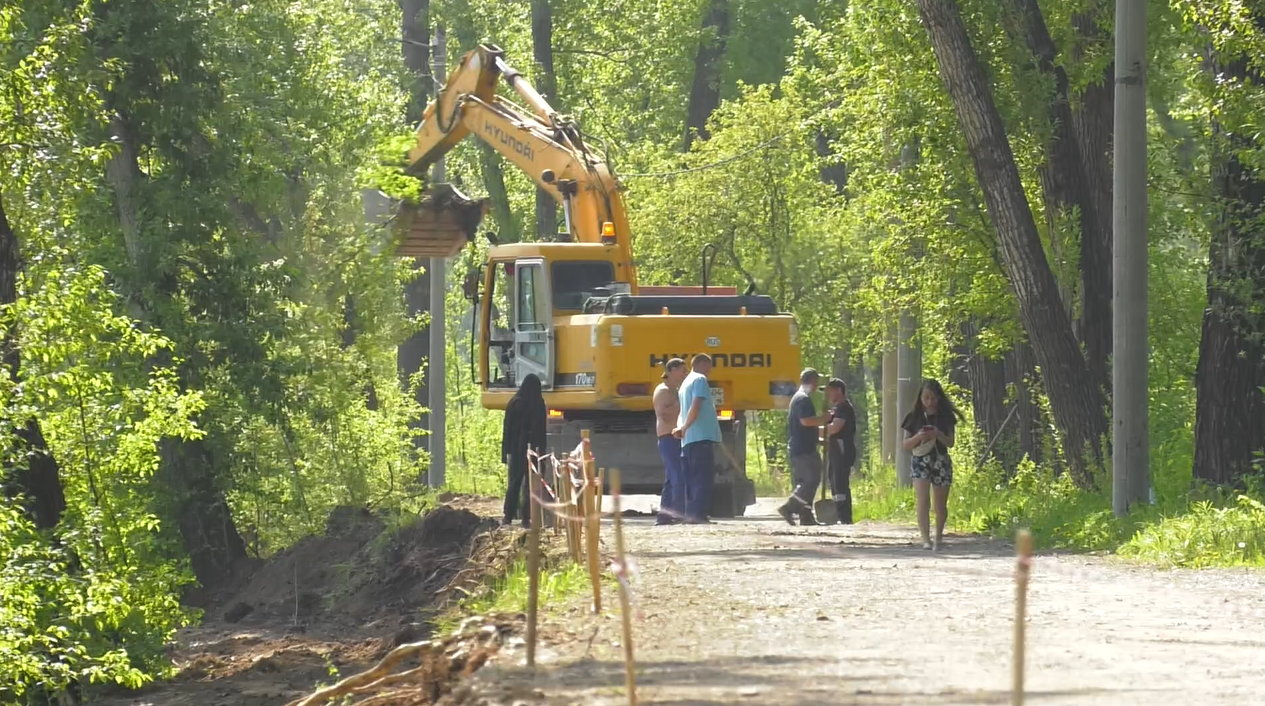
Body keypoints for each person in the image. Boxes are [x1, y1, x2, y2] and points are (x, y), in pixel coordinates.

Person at [900, 378, 963, 550]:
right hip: (920, 461)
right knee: (923, 500)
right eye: (926, 398)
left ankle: (939, 536)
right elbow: (905, 444)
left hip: (941, 460)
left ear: (939, 398)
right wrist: (918, 437)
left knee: (940, 504)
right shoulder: (913, 417)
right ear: (920, 398)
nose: (929, 402)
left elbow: (950, 442)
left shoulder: (946, 417)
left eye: (933, 398)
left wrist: (938, 433)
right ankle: (926, 539)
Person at [777, 368, 835, 526]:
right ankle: (789, 507)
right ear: (813, 381)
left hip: (804, 446)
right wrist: (824, 418)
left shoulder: (800, 397)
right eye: (816, 383)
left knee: (806, 480)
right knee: (810, 480)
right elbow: (806, 421)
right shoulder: (802, 399)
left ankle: (806, 515)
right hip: (803, 449)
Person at [672, 354, 721, 524]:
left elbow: (682, 411)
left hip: (688, 439)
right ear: (701, 364)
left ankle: (691, 513)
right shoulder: (699, 379)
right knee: (703, 477)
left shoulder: (684, 384)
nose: (710, 370)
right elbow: (696, 405)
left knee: (691, 478)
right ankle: (698, 514)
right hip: (700, 436)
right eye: (709, 365)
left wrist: (680, 428)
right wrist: (684, 427)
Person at [501, 374, 547, 528]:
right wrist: (542, 452)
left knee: (515, 482)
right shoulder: (538, 404)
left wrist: (505, 452)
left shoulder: (515, 402)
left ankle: (509, 515)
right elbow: (541, 430)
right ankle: (525, 518)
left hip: (516, 450)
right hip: (533, 449)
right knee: (528, 484)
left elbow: (506, 431)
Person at [654, 358, 687, 525]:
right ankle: (679, 514)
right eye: (682, 369)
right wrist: (682, 405)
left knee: (670, 479)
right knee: (677, 477)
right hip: (668, 438)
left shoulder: (675, 390)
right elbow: (664, 414)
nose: (685, 373)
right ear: (672, 370)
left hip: (676, 437)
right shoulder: (663, 391)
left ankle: (664, 515)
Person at [824, 378, 857, 525]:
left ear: (838, 390)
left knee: (840, 482)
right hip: (835, 449)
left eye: (830, 391)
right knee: (835, 481)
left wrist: (815, 430)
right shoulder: (838, 408)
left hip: (842, 449)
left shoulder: (844, 408)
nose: (828, 394)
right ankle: (839, 513)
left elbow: (835, 427)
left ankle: (844, 517)